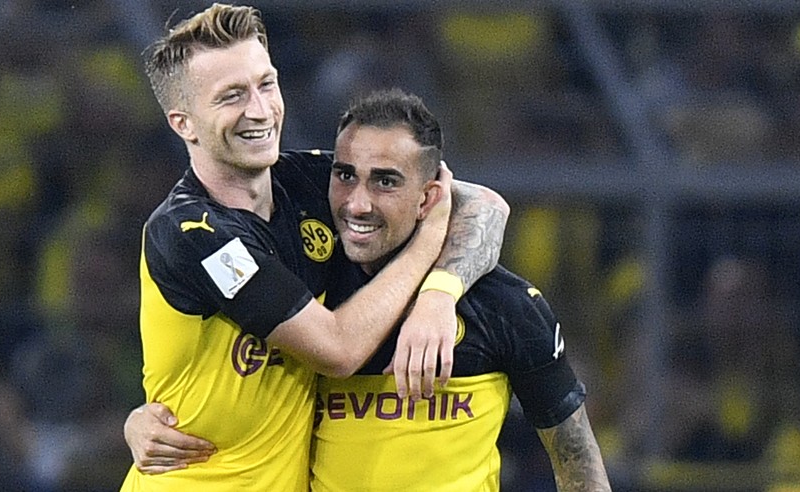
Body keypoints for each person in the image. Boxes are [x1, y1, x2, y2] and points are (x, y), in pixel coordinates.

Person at [125, 89, 612, 491]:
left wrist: (439, 293)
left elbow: (576, 460)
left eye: (385, 182)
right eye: (344, 176)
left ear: (430, 197)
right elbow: (229, 384)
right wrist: (143, 422)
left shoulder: (503, 306)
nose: (358, 204)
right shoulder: (314, 292)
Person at [120, 4, 509, 491]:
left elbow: (486, 206)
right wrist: (428, 242)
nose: (260, 110)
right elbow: (337, 350)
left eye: (266, 84)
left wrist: (438, 297)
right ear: (184, 124)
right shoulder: (190, 232)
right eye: (231, 97)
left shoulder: (306, 182)